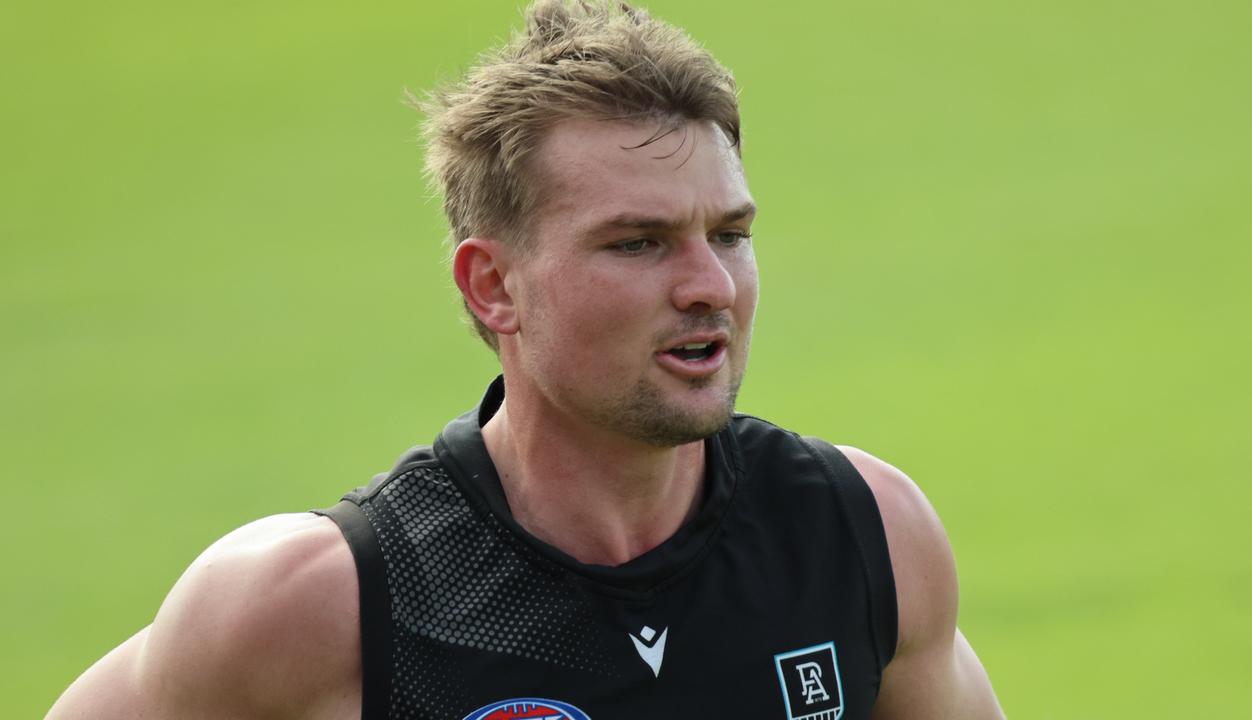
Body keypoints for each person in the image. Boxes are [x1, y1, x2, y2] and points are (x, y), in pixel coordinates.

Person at [49, 1, 1004, 718]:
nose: (710, 283)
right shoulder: (320, 605)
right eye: (637, 243)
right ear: (493, 286)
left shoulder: (863, 535)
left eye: (731, 232)